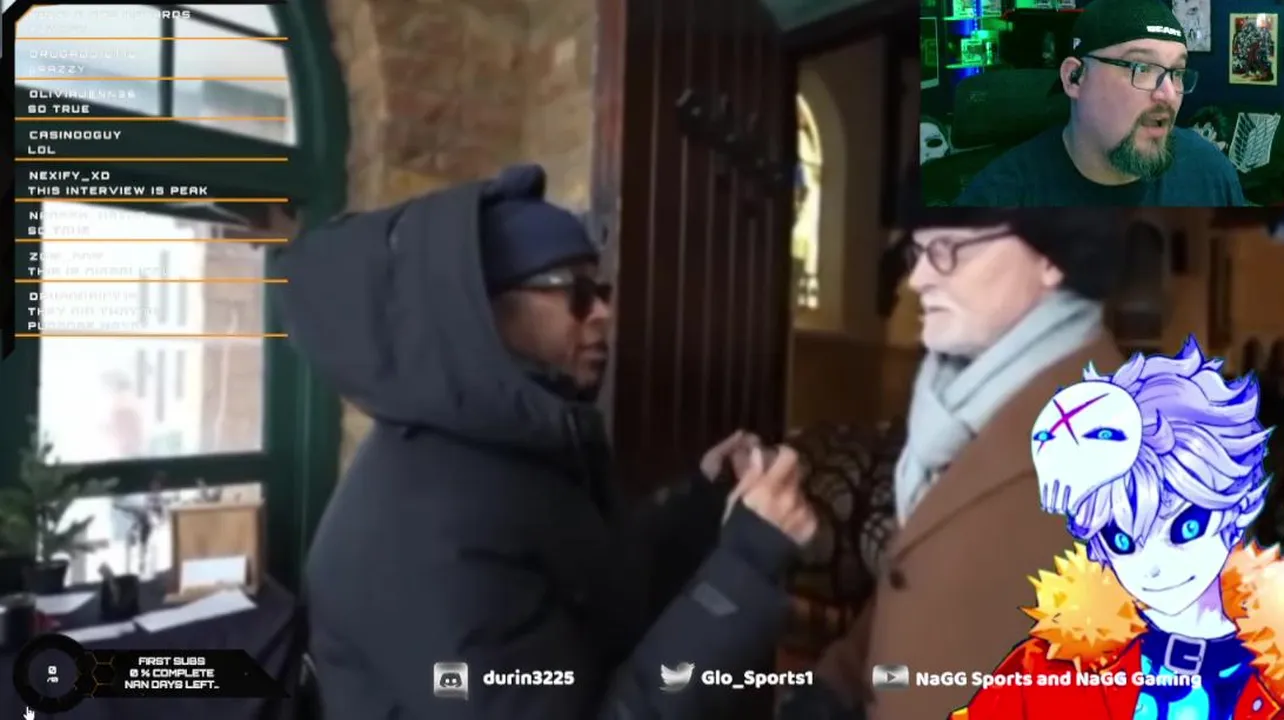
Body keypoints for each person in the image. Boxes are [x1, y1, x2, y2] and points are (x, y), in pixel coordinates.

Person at [275, 164, 818, 719]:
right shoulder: (421, 540)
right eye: (576, 294)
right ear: (484, 312)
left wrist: (703, 503)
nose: (604, 314)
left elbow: (596, 589)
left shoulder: (511, 445)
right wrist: (749, 561)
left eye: (600, 291)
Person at [778, 207, 1127, 719]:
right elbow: (921, 570)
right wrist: (836, 683)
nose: (918, 278)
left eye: (948, 250)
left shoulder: (1131, 442)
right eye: (918, 251)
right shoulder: (954, 398)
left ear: (1051, 258)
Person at [952, 338, 1280, 719]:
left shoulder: (1273, 678)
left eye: (1187, 527)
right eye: (1121, 540)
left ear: (1237, 506)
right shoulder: (1049, 671)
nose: (1155, 566)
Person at [956, 0, 1245, 207]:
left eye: (1177, 73)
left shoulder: (1210, 174)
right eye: (1141, 67)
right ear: (1075, 79)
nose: (1168, 94)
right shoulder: (998, 199)